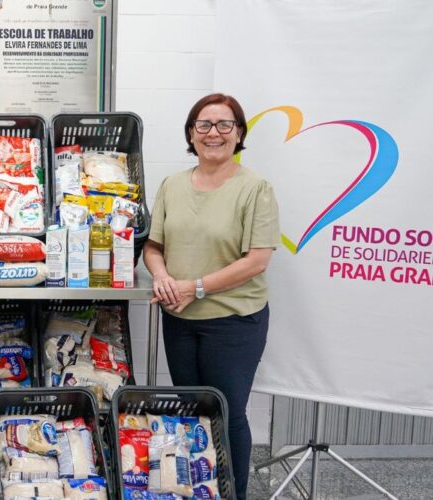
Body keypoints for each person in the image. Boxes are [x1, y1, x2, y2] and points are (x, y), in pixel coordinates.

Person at [143, 93, 280, 498]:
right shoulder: (172, 185)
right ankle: (197, 489)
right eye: (204, 125)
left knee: (226, 413)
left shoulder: (256, 188)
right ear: (191, 133)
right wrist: (163, 276)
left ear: (239, 133)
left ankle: (233, 492)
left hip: (234, 320)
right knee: (190, 412)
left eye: (224, 125)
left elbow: (257, 260)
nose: (214, 133)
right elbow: (153, 247)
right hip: (180, 318)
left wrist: (196, 286)